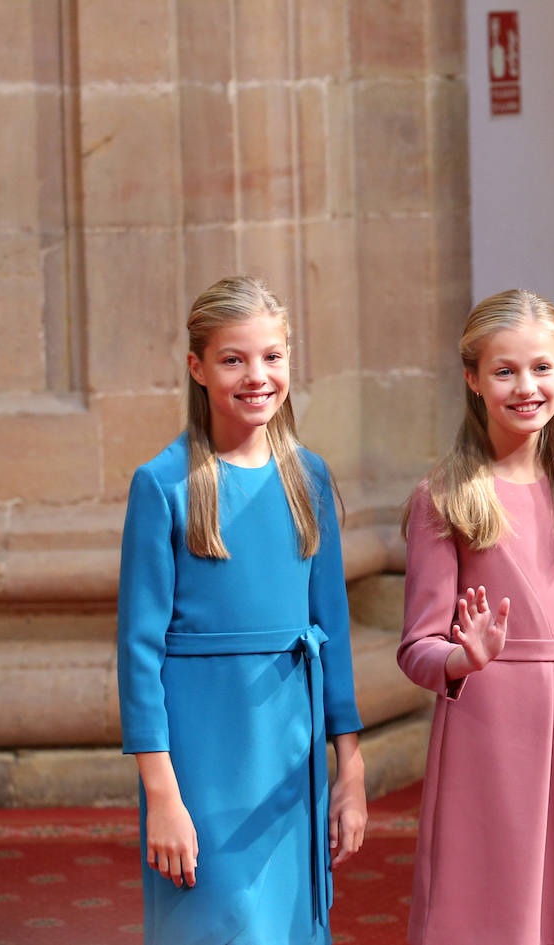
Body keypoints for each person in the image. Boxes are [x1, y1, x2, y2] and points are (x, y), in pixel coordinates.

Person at [117, 276, 368, 944]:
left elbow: (334, 632)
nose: (256, 375)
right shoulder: (163, 484)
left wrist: (351, 767)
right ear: (197, 367)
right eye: (234, 359)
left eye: (272, 356)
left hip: (293, 750)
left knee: (287, 927)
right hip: (203, 757)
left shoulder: (308, 477)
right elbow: (138, 654)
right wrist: (163, 795)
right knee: (218, 924)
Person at [398, 289, 554, 945]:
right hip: (486, 733)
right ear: (473, 379)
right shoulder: (444, 495)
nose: (526, 386)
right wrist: (460, 656)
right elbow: (416, 645)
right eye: (505, 370)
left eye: (541, 367)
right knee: (484, 916)